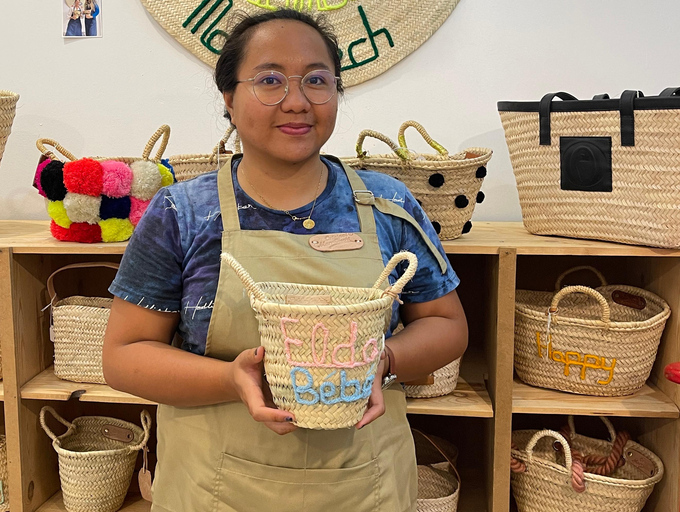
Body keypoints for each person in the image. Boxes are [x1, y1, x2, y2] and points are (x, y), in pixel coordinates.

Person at [103, 9, 468, 512]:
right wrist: (232, 379)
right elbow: (124, 354)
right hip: (214, 488)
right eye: (270, 80)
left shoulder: (389, 204)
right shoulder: (183, 213)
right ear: (228, 98)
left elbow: (447, 324)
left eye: (317, 80)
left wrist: (380, 361)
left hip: (364, 487)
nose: (297, 101)